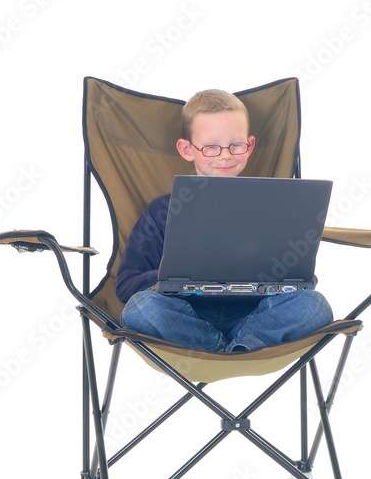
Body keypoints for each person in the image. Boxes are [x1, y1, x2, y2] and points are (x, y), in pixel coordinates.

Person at [115, 89, 333, 352]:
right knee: (141, 309)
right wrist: (172, 276)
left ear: (250, 145)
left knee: (314, 305)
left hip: (256, 316)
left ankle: (241, 345)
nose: (225, 155)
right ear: (187, 149)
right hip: (188, 317)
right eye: (211, 147)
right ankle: (222, 348)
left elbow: (302, 281)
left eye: (236, 145)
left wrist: (281, 281)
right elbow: (126, 285)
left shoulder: (274, 207)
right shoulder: (162, 211)